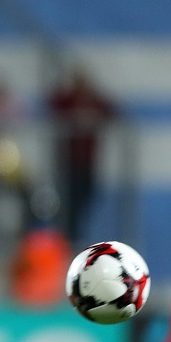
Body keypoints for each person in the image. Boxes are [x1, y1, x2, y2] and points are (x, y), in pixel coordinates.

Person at [48, 65, 117, 245]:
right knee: (70, 198)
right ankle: (69, 234)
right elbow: (53, 104)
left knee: (87, 195)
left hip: (88, 161)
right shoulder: (67, 99)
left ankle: (76, 233)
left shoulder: (93, 100)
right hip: (69, 160)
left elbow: (112, 110)